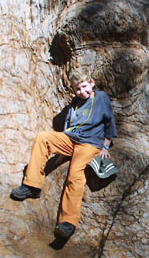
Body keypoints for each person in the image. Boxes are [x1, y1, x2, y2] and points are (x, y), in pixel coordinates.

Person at [11, 74, 117, 239]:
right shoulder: (75, 102)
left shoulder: (101, 97)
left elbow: (109, 120)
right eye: (78, 89)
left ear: (92, 83)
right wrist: (61, 149)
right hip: (71, 139)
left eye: (84, 86)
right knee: (43, 137)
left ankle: (67, 222)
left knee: (75, 175)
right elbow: (68, 125)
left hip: (90, 143)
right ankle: (32, 185)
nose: (82, 91)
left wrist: (105, 145)